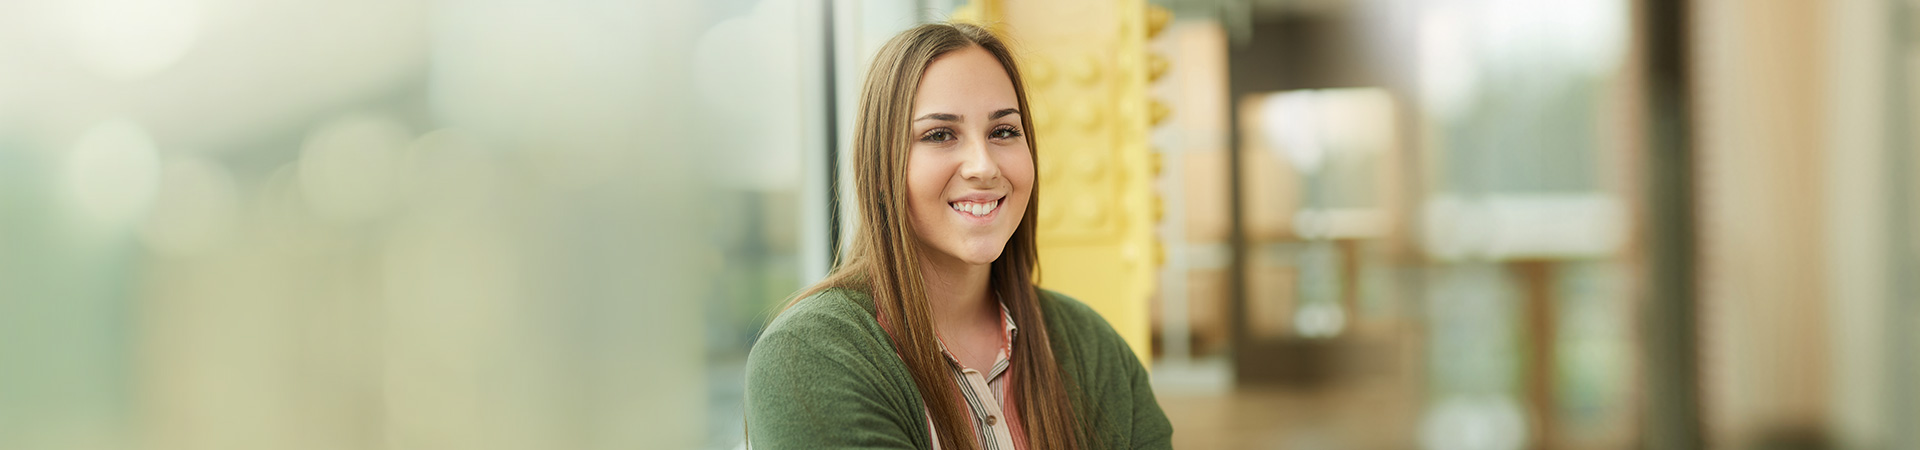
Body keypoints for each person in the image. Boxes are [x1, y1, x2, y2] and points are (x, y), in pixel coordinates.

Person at [744, 22, 1173, 450]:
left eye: (1003, 131)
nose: (983, 166)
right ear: (880, 168)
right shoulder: (810, 355)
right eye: (940, 135)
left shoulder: (1089, 344)